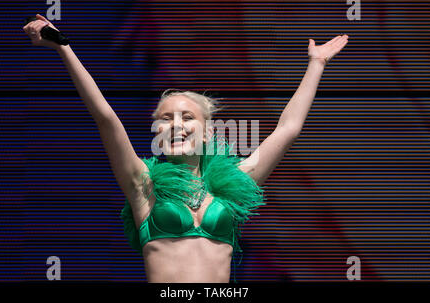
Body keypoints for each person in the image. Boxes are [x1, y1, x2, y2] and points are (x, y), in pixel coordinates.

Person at [22, 13, 349, 283]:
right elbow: (106, 117)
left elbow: (287, 130)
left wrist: (316, 63)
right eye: (165, 118)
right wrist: (63, 47)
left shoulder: (233, 185)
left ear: (207, 132)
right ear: (157, 132)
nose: (176, 124)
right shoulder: (144, 184)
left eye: (187, 117)